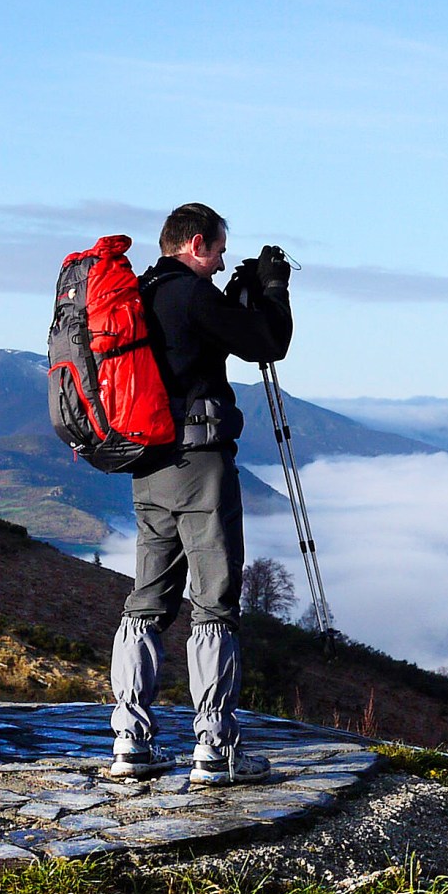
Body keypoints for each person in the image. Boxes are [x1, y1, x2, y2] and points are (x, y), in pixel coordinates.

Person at [111, 202, 293, 784]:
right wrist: (270, 288)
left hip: (148, 462)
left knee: (148, 599)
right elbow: (267, 343)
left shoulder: (139, 293)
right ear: (194, 243)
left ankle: (129, 743)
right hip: (201, 462)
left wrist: (234, 293)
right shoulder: (191, 293)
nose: (217, 264)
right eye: (215, 251)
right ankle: (215, 749)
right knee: (214, 603)